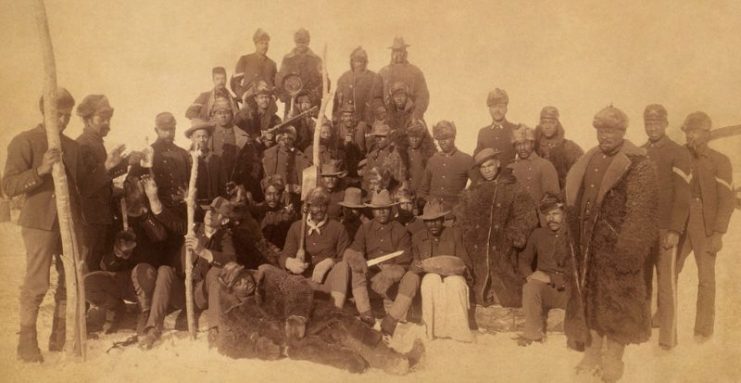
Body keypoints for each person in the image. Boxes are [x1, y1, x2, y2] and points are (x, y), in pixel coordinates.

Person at [563, 106, 658, 382]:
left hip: (617, 247)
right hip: (587, 245)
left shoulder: (637, 163)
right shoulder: (588, 160)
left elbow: (643, 212)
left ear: (623, 132)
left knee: (618, 303)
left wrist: (629, 250)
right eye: (601, 130)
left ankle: (614, 357)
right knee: (590, 298)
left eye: (612, 130)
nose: (605, 136)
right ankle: (592, 352)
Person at [214, 262, 424, 374]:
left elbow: (298, 288)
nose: (245, 283)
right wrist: (261, 347)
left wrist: (296, 316)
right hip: (291, 342)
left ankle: (394, 360)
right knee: (339, 356)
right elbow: (228, 345)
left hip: (308, 317)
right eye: (238, 283)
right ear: (232, 289)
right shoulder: (233, 309)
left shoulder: (266, 273)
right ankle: (364, 362)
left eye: (243, 277)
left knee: (344, 325)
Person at [3, 88, 84, 361]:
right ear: (45, 113)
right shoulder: (24, 141)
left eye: (67, 116)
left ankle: (60, 337)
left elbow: (80, 188)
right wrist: (40, 170)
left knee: (70, 278)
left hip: (67, 223)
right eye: (58, 115)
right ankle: (26, 344)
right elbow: (8, 186)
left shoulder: (73, 147)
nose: (63, 121)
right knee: (37, 281)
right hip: (39, 222)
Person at [676, 111, 734, 343]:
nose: (691, 136)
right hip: (680, 220)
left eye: (696, 131)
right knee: (670, 270)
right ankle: (662, 318)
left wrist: (718, 233)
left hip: (705, 222)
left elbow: (727, 199)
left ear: (707, 133)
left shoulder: (720, 161)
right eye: (688, 131)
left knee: (706, 278)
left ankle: (703, 328)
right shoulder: (679, 156)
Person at [454, 148, 537, 309]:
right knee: (477, 282)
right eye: (483, 167)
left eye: (490, 165)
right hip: (477, 245)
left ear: (498, 164)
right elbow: (462, 215)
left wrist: (513, 235)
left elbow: (526, 214)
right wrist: (469, 234)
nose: (487, 170)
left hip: (503, 245)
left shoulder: (512, 187)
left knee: (506, 284)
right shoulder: (474, 190)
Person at [640, 104, 690, 350]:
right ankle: (642, 331)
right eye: (648, 123)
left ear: (665, 124)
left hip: (666, 230)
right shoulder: (639, 152)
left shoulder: (677, 152)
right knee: (643, 281)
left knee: (667, 285)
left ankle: (668, 338)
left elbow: (683, 197)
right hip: (644, 230)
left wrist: (675, 230)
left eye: (657, 123)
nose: (652, 127)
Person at [343, 190, 418, 335]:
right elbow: (354, 249)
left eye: (385, 209)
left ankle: (391, 321)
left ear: (391, 209)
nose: (381, 213)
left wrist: (391, 273)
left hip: (393, 280)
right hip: (371, 276)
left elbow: (405, 261)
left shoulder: (400, 230)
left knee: (413, 278)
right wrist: (357, 258)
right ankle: (366, 315)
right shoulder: (365, 228)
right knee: (356, 269)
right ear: (372, 210)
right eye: (377, 209)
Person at [76, 94, 128, 272]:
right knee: (87, 267)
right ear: (88, 119)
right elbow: (85, 187)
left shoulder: (96, 143)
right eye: (102, 118)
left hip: (101, 218)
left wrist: (127, 163)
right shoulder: (82, 146)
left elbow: (104, 178)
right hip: (89, 220)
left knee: (97, 267)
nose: (107, 123)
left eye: (108, 118)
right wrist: (108, 166)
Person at [413, 200, 473, 342]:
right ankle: (431, 331)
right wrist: (417, 266)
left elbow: (464, 260)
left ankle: (460, 333)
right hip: (430, 275)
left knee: (455, 283)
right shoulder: (418, 238)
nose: (433, 225)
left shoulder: (454, 234)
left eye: (436, 220)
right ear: (424, 222)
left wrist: (460, 270)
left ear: (442, 220)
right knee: (430, 281)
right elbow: (415, 262)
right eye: (428, 221)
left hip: (453, 274)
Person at [281, 188, 352, 308]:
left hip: (328, 283)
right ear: (307, 207)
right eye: (315, 206)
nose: (319, 210)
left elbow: (345, 257)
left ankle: (335, 311)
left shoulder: (338, 228)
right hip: (303, 282)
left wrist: (330, 262)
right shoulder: (296, 227)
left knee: (342, 267)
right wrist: (290, 262)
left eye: (323, 205)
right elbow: (284, 256)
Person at [515, 193, 570, 346]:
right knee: (530, 288)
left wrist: (552, 279)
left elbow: (581, 269)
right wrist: (529, 276)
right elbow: (524, 260)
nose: (550, 218)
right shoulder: (538, 234)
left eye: (555, 214)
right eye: (547, 215)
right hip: (546, 290)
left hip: (569, 289)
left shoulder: (574, 235)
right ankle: (533, 334)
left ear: (564, 214)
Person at [418, 120, 475, 209]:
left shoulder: (466, 160)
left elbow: (478, 184)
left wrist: (464, 200)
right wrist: (427, 202)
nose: (443, 142)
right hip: (432, 211)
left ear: (454, 138)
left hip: (455, 211)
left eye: (446, 138)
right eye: (439, 139)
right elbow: (423, 189)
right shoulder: (432, 160)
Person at [508, 124, 559, 206]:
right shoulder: (510, 168)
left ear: (532, 144)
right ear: (514, 146)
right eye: (518, 144)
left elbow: (552, 197)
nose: (522, 148)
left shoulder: (545, 165)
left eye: (526, 144)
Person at [378, 37, 429, 120]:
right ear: (392, 53)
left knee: (419, 130)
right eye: (395, 51)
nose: (398, 54)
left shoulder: (415, 72)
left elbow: (423, 96)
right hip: (388, 116)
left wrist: (417, 113)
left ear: (405, 53)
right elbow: (376, 97)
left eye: (401, 51)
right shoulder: (383, 73)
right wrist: (381, 111)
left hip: (411, 114)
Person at [534, 106, 583, 189]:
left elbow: (578, 174)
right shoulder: (534, 146)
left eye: (551, 122)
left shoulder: (568, 147)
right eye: (544, 122)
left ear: (557, 124)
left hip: (561, 193)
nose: (547, 126)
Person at [275, 28, 325, 109]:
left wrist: (313, 96)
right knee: (292, 121)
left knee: (314, 121)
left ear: (308, 42)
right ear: (295, 42)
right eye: (298, 42)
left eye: (303, 42)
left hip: (312, 102)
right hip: (293, 102)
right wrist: (287, 96)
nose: (301, 45)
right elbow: (280, 79)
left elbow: (324, 82)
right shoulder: (288, 59)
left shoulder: (316, 60)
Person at [149, 112, 190, 208]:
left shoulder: (182, 153)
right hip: (159, 209)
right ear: (156, 130)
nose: (168, 133)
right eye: (164, 130)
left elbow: (190, 181)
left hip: (181, 207)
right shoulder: (149, 152)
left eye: (171, 129)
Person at [333, 46, 383, 124]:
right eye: (356, 61)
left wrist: (379, 111)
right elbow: (337, 101)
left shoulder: (374, 77)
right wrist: (335, 116)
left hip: (365, 120)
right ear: (352, 62)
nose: (359, 64)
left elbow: (377, 99)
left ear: (366, 62)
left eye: (361, 61)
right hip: (345, 122)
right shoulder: (344, 78)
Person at [262, 125, 310, 204]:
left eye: (289, 139)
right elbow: (265, 181)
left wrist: (298, 188)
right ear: (278, 140)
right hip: (275, 198)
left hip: (294, 198)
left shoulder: (300, 156)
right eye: (283, 139)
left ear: (293, 140)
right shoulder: (270, 155)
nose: (286, 142)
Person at [185, 118, 227, 204]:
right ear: (192, 138)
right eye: (198, 136)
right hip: (193, 205)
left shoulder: (216, 159)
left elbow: (222, 185)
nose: (201, 140)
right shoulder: (186, 158)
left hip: (213, 204)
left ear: (208, 138)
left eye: (204, 136)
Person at [250, 174, 298, 249]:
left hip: (283, 249)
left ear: (281, 195)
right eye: (269, 194)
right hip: (265, 251)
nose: (272, 198)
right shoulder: (258, 210)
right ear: (264, 194)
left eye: (276, 194)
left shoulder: (286, 210)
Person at [230, 28, 278, 102]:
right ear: (256, 44)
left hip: (267, 103)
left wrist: (273, 98)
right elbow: (235, 83)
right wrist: (243, 95)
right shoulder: (245, 60)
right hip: (250, 101)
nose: (264, 46)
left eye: (266, 43)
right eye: (261, 43)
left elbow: (276, 85)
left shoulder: (272, 64)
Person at [210, 97, 249, 180]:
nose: (223, 116)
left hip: (234, 179)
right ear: (214, 115)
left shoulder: (241, 136)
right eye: (219, 113)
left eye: (227, 113)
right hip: (211, 179)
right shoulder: (207, 134)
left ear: (232, 115)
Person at [474, 88, 517, 166]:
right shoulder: (483, 133)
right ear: (489, 110)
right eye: (494, 107)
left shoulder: (515, 129)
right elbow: (476, 159)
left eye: (501, 106)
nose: (497, 110)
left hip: (511, 177)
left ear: (506, 109)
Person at [234, 80, 281, 148]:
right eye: (261, 97)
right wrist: (252, 138)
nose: (264, 100)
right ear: (256, 99)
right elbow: (236, 130)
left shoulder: (275, 119)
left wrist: (272, 137)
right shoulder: (248, 117)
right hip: (250, 150)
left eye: (267, 97)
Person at [364, 121, 407, 191]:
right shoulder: (372, 155)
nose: (379, 140)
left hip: (389, 194)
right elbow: (366, 178)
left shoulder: (395, 154)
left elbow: (399, 180)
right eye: (377, 137)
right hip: (373, 194)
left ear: (388, 138)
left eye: (383, 137)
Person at [405, 120, 435, 196]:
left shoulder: (427, 154)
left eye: (417, 137)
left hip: (422, 195)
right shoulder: (403, 152)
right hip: (406, 194)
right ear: (408, 137)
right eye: (411, 137)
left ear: (422, 138)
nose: (414, 140)